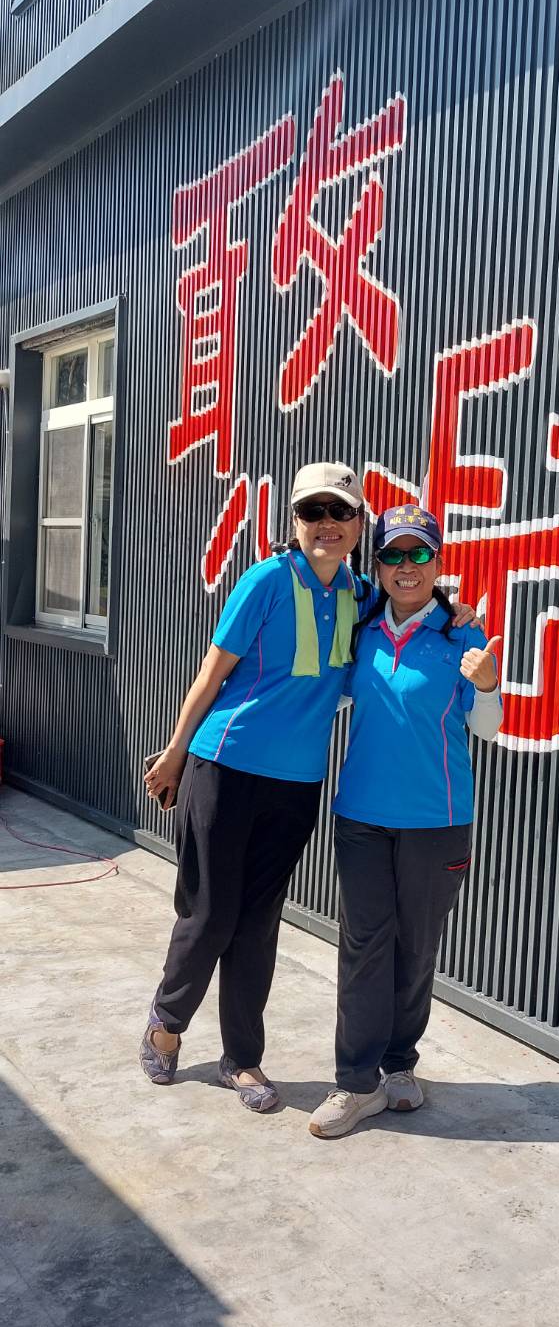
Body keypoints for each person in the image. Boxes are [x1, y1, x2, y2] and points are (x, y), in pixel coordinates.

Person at [138, 462, 374, 1112]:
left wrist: (454, 611)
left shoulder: (359, 594)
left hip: (296, 783)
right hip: (226, 765)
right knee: (211, 912)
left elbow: (413, 611)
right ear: (295, 521)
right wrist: (176, 754)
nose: (326, 524)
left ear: (358, 523)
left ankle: (241, 1059)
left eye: (340, 511)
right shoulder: (265, 580)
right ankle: (165, 1023)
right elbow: (211, 673)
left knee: (258, 921)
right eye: (313, 511)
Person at [308, 503, 502, 1139]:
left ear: (438, 562)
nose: (405, 566)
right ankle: (355, 1083)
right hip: (362, 816)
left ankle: (399, 1066)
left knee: (416, 948)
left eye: (419, 553)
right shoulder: (360, 628)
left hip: (436, 820)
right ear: (378, 565)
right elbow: (325, 691)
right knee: (364, 946)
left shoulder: (463, 636)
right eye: (392, 554)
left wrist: (489, 685)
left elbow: (485, 728)